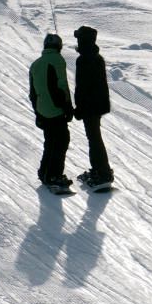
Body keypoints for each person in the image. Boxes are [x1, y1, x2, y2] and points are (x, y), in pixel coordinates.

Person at [29, 33, 74, 191]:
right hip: (56, 109)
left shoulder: (35, 65)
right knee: (61, 141)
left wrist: (38, 113)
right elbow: (62, 86)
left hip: (42, 109)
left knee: (50, 141)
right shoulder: (57, 60)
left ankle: (45, 173)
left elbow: (33, 93)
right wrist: (67, 108)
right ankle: (54, 176)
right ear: (59, 47)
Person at [73, 26, 113, 190]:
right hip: (98, 105)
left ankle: (102, 172)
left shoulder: (83, 60)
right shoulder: (97, 58)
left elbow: (82, 87)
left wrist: (79, 108)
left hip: (89, 106)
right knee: (95, 137)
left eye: (79, 38)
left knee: (94, 138)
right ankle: (100, 170)